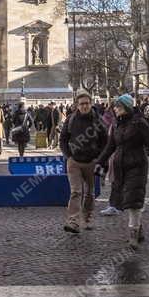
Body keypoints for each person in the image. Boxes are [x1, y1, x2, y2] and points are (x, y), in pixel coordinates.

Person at [95, 94, 149, 250]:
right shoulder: (116, 125)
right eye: (115, 106)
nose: (115, 109)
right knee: (127, 199)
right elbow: (110, 147)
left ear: (126, 107)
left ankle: (133, 234)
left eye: (118, 106)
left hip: (137, 166)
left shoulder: (140, 123)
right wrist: (99, 162)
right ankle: (138, 228)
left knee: (133, 200)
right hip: (121, 167)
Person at [60, 90, 107, 234]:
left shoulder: (99, 121)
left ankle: (87, 218)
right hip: (74, 162)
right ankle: (73, 221)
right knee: (75, 192)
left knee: (90, 193)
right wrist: (69, 156)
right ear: (77, 105)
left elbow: (105, 142)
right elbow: (63, 140)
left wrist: (99, 159)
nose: (84, 106)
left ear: (91, 104)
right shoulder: (70, 120)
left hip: (91, 162)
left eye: (87, 103)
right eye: (81, 104)